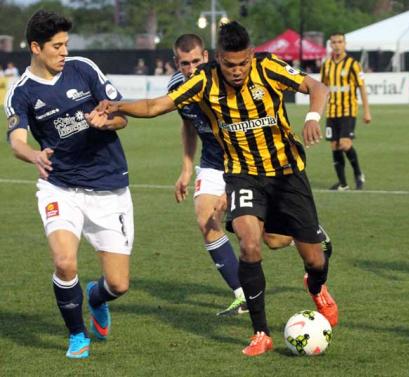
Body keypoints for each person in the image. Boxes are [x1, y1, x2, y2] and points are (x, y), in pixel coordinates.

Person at [95, 21, 338, 357]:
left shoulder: (268, 66)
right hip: (241, 174)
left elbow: (318, 86)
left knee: (314, 260)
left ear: (251, 56)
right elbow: (155, 106)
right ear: (218, 59)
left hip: (286, 174)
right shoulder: (203, 80)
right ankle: (260, 333)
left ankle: (317, 287)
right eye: (229, 65)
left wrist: (312, 116)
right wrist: (119, 106)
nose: (236, 71)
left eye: (242, 64)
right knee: (250, 245)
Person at [5, 10, 132, 359]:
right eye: (57, 46)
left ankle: (95, 297)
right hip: (59, 187)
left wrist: (106, 122)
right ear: (36, 47)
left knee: (119, 284)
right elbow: (16, 139)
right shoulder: (21, 92)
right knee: (64, 261)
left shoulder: (84, 68)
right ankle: (77, 334)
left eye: (66, 45)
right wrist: (33, 156)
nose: (64, 52)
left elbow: (122, 115)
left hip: (109, 186)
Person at [168, 33, 246, 316]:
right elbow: (189, 125)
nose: (191, 69)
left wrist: (234, 184)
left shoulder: (225, 82)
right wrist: (187, 168)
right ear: (176, 62)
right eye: (185, 63)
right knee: (205, 219)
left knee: (274, 238)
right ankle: (243, 294)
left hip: (245, 160)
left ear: (208, 57)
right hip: (212, 161)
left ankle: (306, 230)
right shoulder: (177, 86)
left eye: (196, 61)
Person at [321, 32, 371, 191]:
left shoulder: (353, 64)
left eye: (340, 42)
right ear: (330, 45)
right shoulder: (326, 65)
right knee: (334, 146)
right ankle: (343, 184)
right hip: (332, 112)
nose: (337, 45)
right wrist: (319, 112)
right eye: (334, 42)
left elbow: (362, 88)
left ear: (345, 44)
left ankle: (358, 174)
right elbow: (323, 89)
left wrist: (367, 111)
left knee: (344, 144)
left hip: (348, 110)